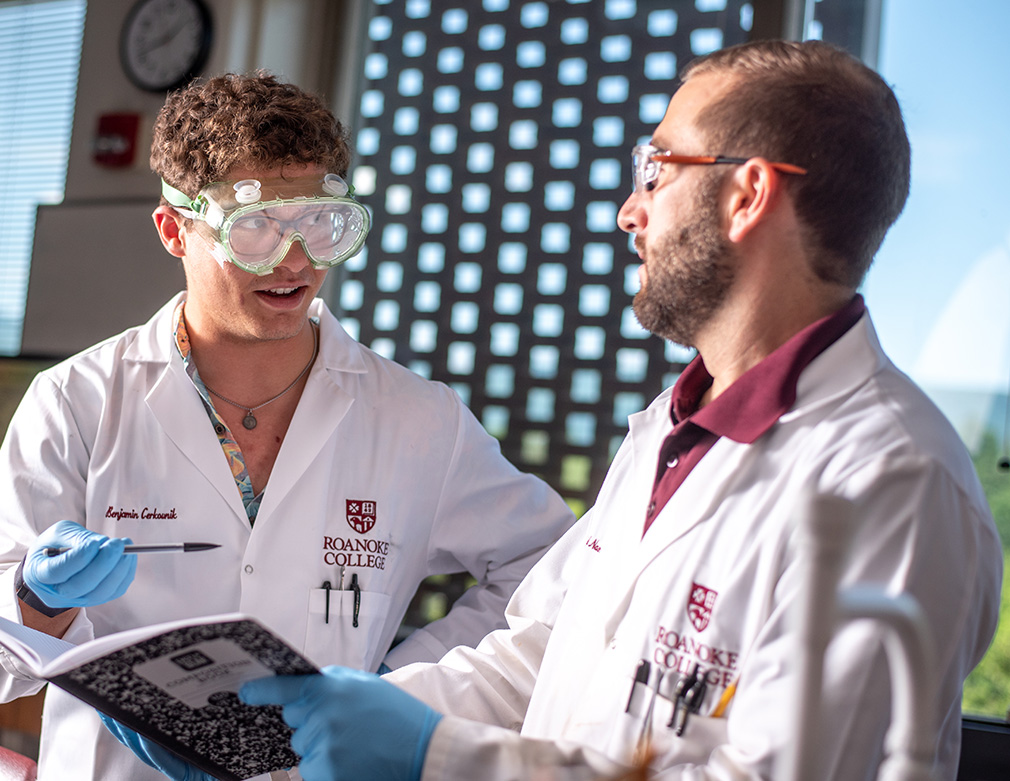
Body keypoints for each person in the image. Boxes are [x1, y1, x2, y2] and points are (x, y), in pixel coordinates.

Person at [221, 39, 1001, 780]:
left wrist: (435, 754)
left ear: (750, 193)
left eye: (656, 169)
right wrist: (305, 728)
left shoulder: (891, 483)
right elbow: (536, 651)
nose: (630, 211)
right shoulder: (675, 426)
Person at [0, 72, 575, 781]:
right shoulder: (78, 401)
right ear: (173, 230)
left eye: (319, 225)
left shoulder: (418, 418)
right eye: (255, 230)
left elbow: (550, 568)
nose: (295, 261)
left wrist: (401, 686)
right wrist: (33, 598)